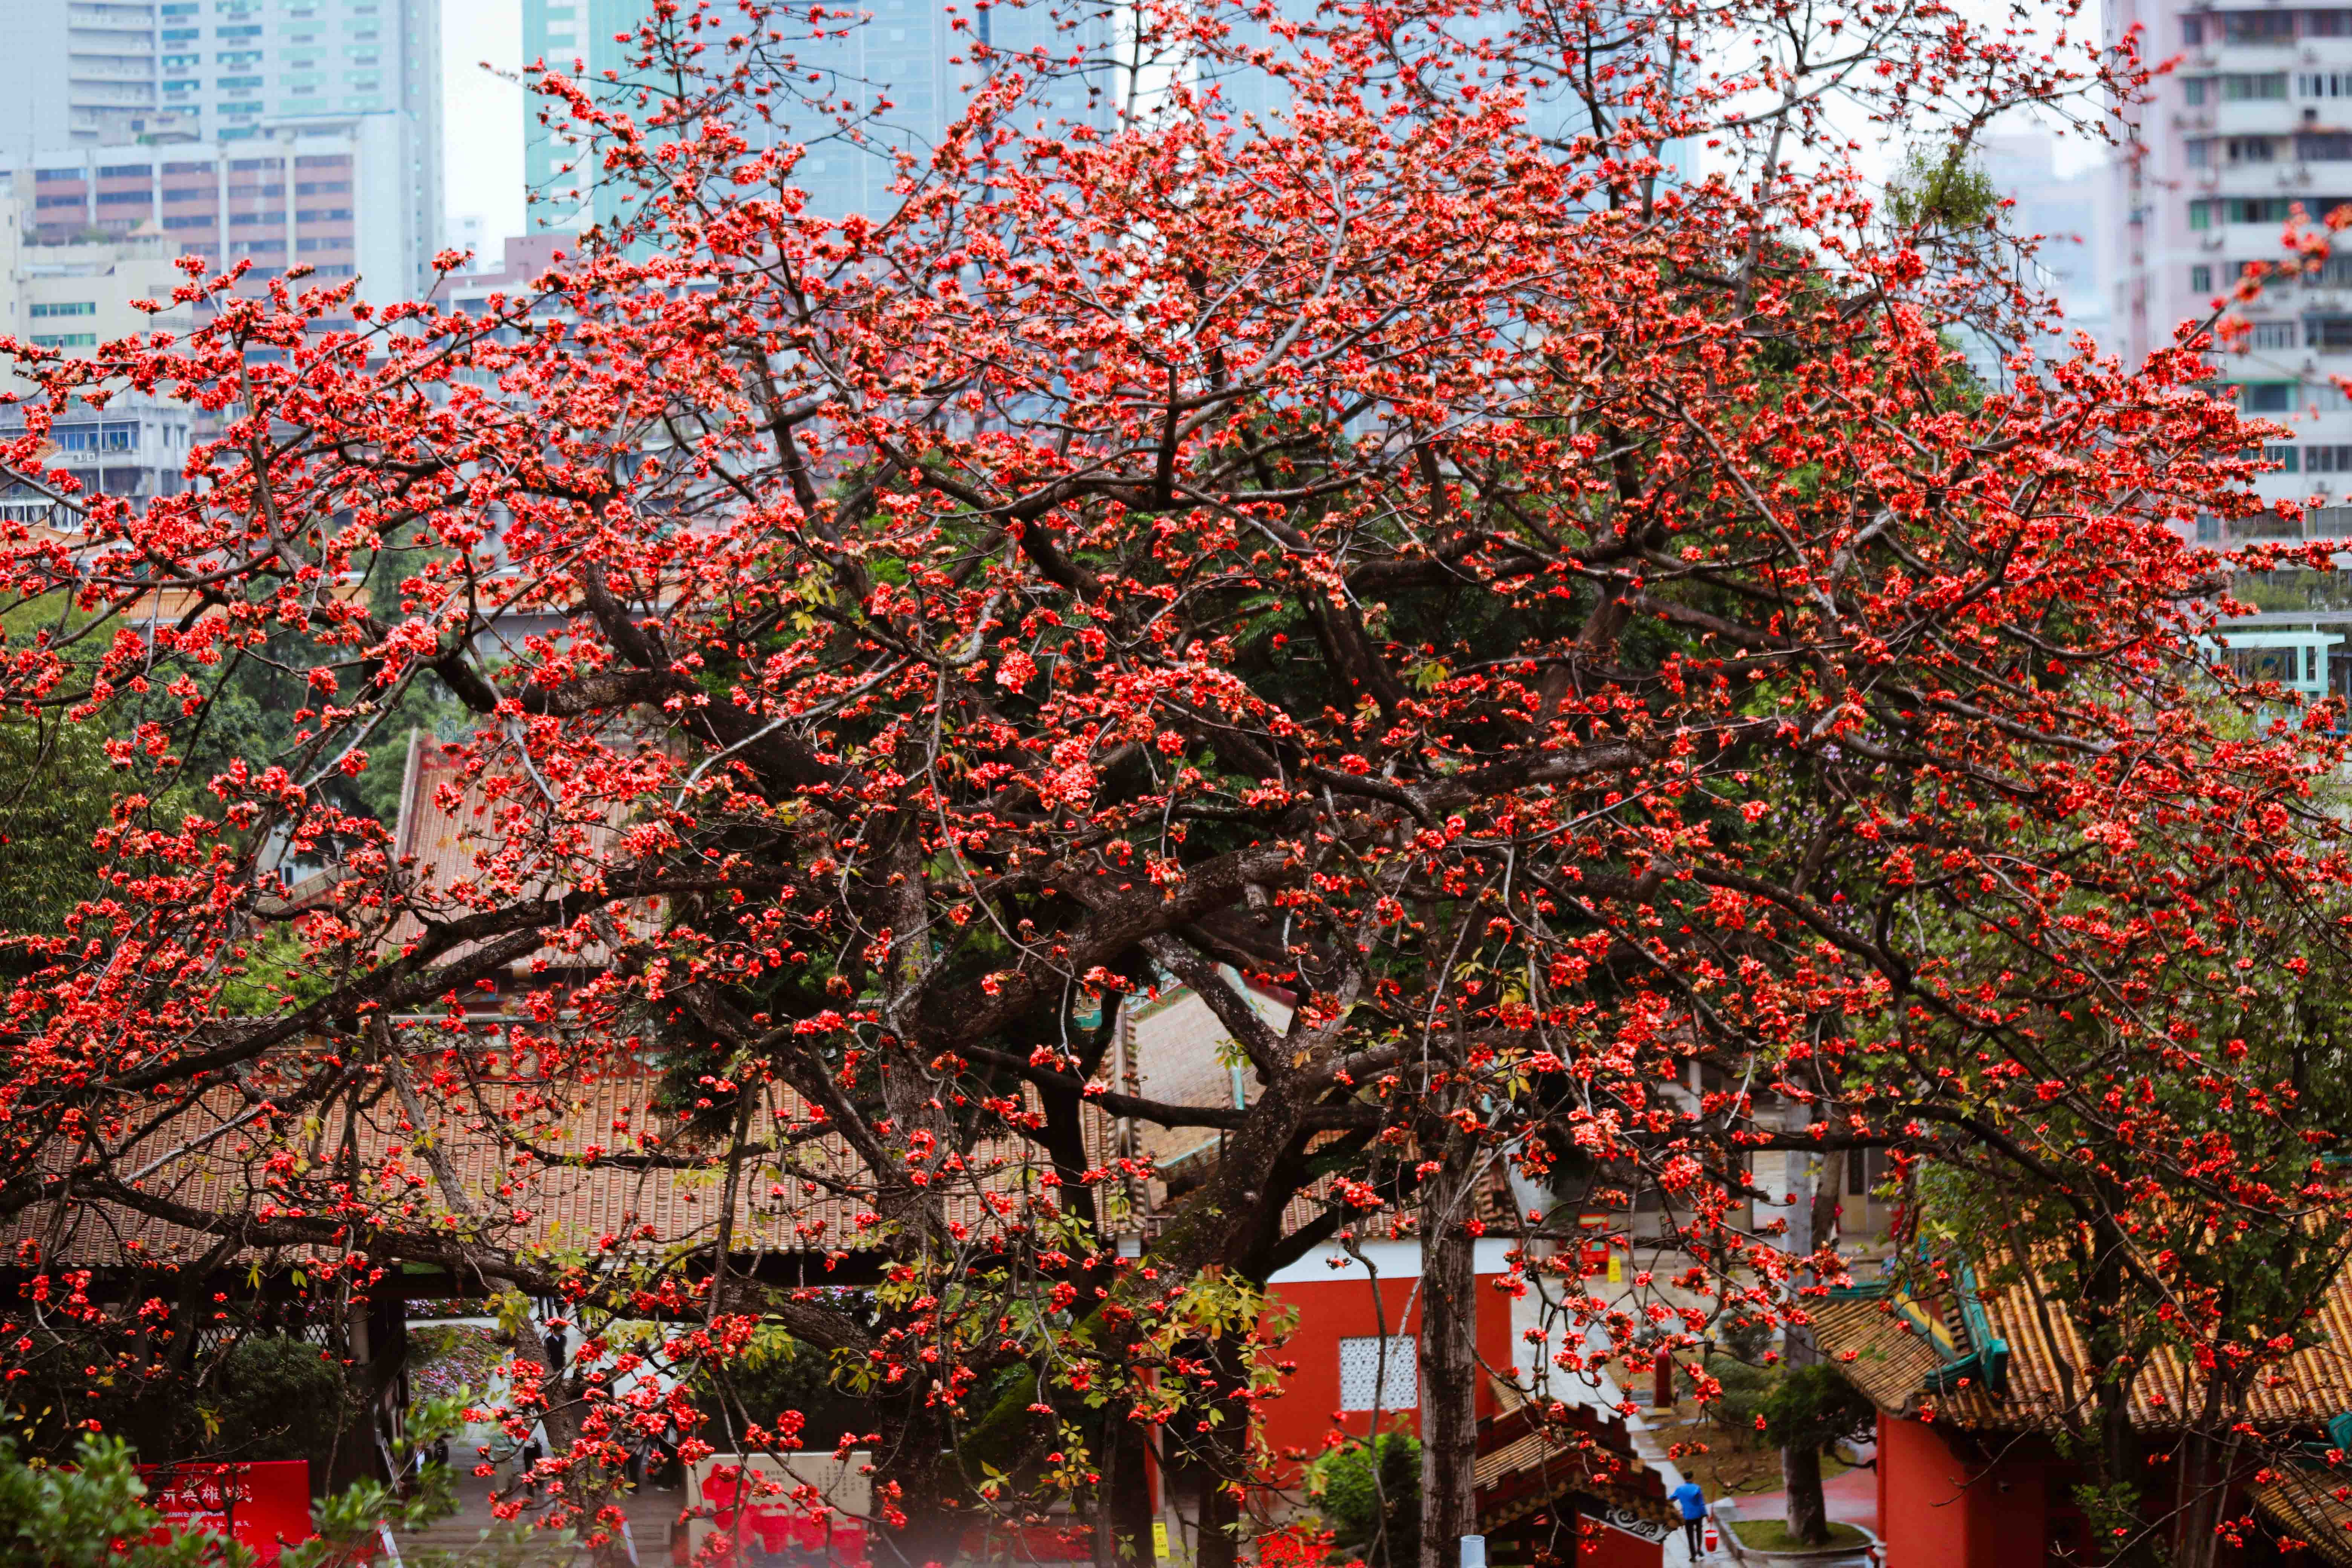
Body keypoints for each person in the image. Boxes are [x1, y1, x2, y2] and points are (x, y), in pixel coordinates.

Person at [1669, 1478, 1707, 1558]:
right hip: (1698, 1515)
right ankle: (1699, 1550)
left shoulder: (1680, 1489)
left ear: (1685, 1479)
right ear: (1693, 1478)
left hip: (1688, 1516)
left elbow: (1672, 1499)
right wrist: (1706, 1515)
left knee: (1690, 1536)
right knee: (1699, 1533)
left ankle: (1693, 1556)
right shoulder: (1697, 1488)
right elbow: (1702, 1503)